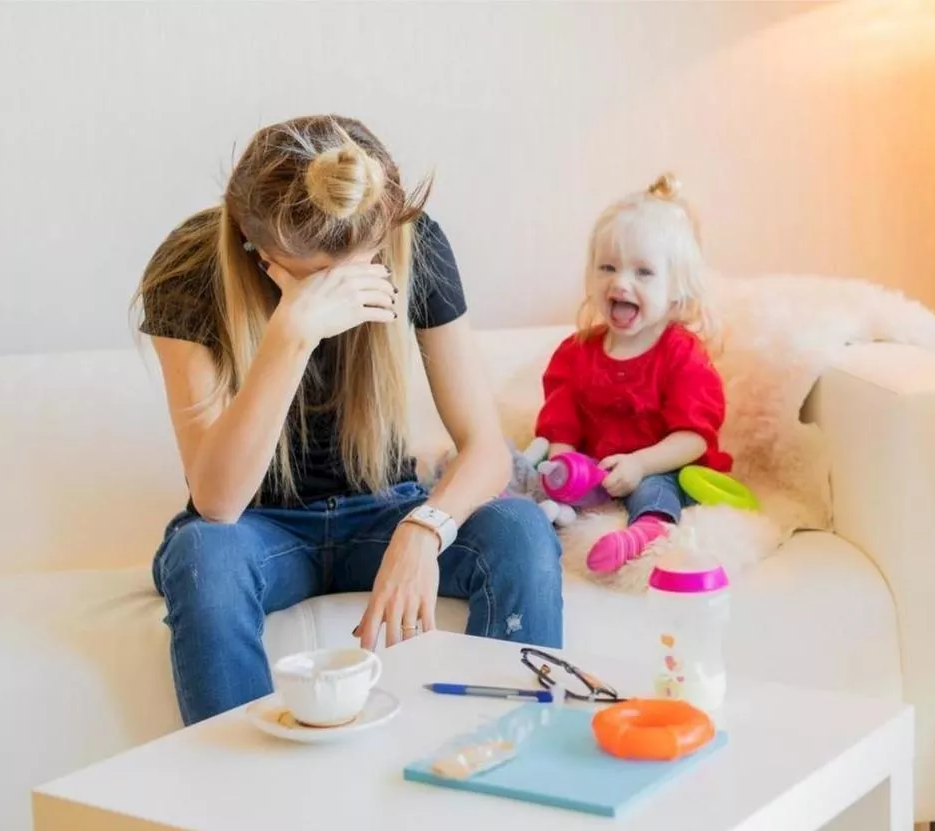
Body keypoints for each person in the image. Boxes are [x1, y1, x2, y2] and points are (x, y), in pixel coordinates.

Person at [136, 115, 562, 725]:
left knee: (521, 532)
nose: (341, 291)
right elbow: (218, 503)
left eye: (358, 271)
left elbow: (485, 449)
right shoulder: (189, 270)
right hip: (257, 527)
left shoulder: (414, 243)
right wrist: (292, 333)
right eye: (316, 279)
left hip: (384, 509)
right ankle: (236, 808)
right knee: (203, 556)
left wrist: (424, 530)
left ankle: (497, 763)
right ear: (256, 251)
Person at [535, 173, 731, 573]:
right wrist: (563, 467)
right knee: (540, 481)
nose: (621, 282)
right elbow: (562, 427)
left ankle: (649, 530)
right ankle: (546, 519)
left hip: (661, 466)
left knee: (655, 489)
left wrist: (640, 463)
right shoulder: (575, 354)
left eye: (643, 272)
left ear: (677, 288)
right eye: (607, 267)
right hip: (599, 470)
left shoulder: (682, 354)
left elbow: (693, 438)